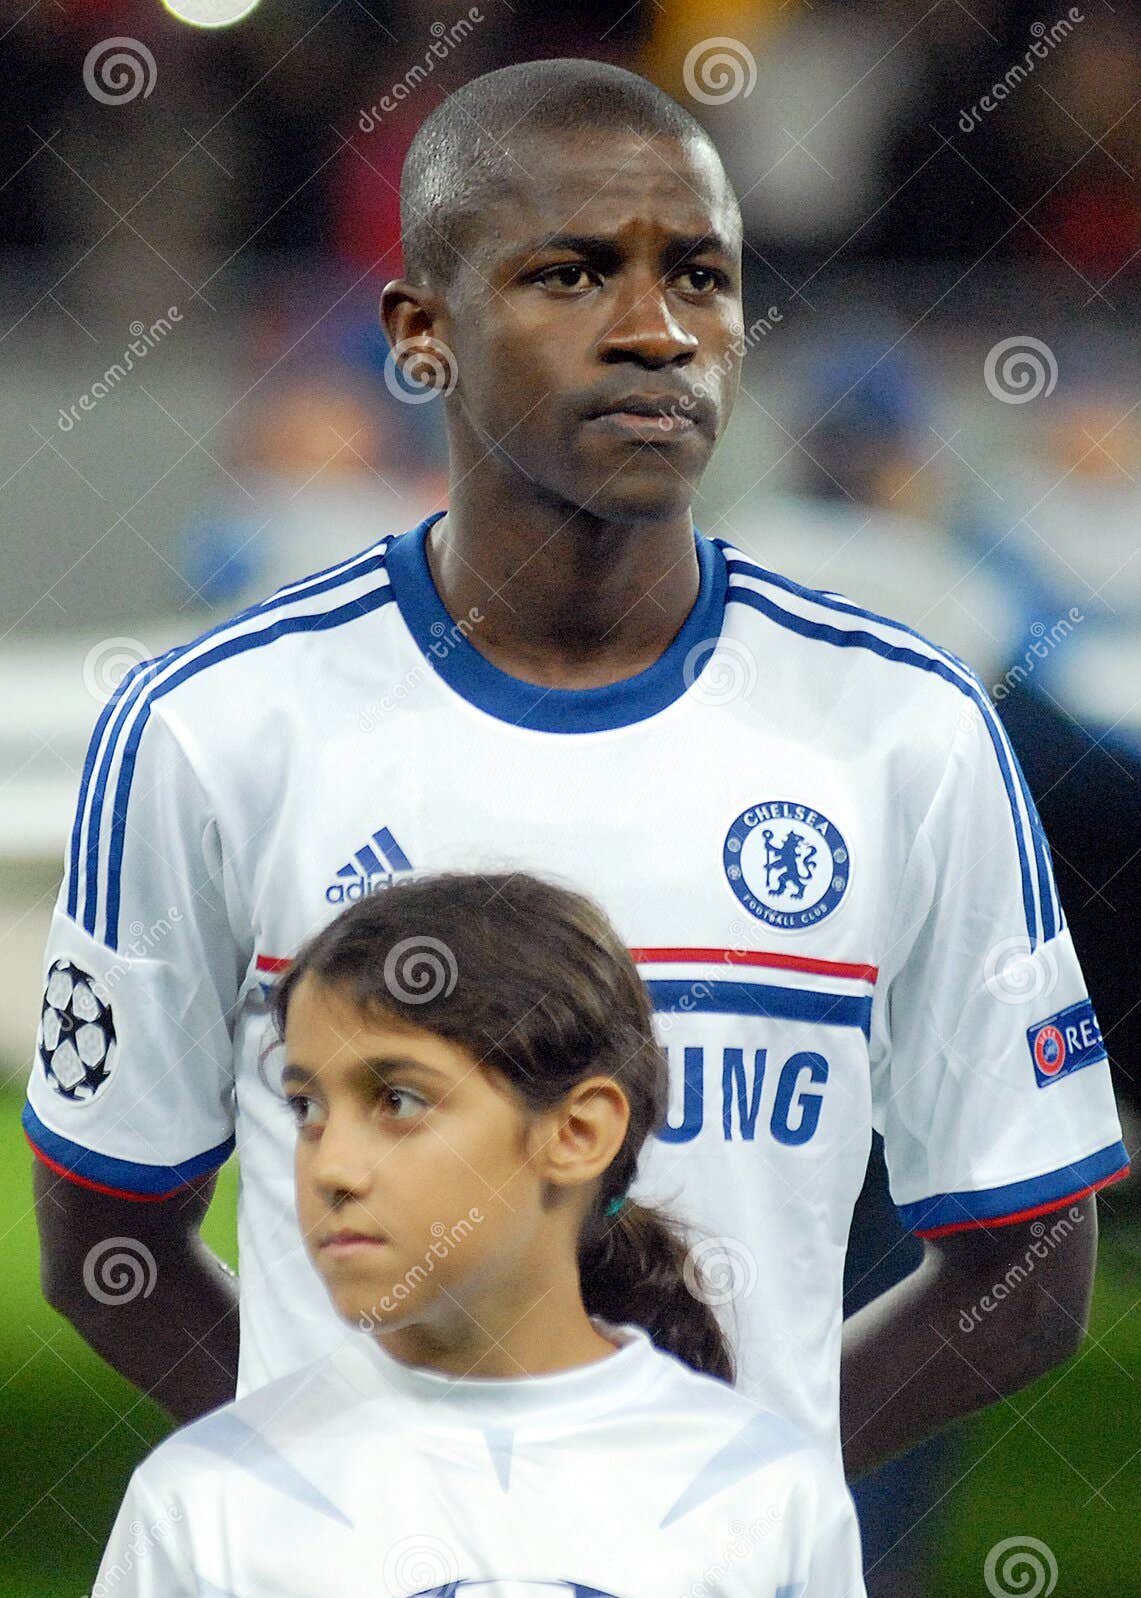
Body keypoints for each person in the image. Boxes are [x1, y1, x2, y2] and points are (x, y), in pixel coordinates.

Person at [27, 61, 1127, 1499]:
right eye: (572, 273)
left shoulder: (902, 725)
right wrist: (349, 1496)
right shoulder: (214, 725)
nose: (658, 331)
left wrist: (725, 1502)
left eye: (702, 276)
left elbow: (1032, 1259)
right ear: (423, 334)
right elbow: (105, 1246)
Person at [93, 872, 865, 1598]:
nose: (330, 1168)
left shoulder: (765, 1498)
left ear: (576, 1132)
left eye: (397, 1100)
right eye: (306, 1110)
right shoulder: (207, 1504)